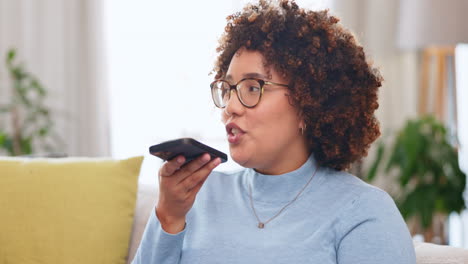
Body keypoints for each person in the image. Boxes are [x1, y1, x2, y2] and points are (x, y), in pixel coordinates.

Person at [132, 0, 416, 263]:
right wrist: (168, 217)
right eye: (229, 89)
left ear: (309, 103)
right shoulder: (196, 196)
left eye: (253, 87)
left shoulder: (363, 211)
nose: (230, 106)